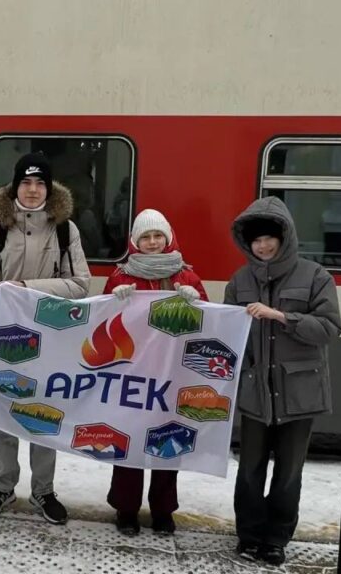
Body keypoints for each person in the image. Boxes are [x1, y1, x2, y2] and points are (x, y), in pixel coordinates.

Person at [0, 152, 91, 525]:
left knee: (43, 414)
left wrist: (27, 287)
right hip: (3, 340)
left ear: (49, 189)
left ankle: (43, 491)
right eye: (26, 182)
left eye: (40, 183)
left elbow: (80, 284)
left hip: (50, 340)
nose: (33, 190)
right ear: (15, 187)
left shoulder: (66, 230)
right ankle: (3, 486)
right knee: (3, 414)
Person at [224, 196, 341, 566]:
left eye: (269, 238)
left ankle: (276, 539)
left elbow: (329, 328)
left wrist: (282, 317)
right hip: (256, 392)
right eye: (256, 240)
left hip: (299, 393)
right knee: (250, 469)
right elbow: (228, 334)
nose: (262, 246)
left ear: (284, 237)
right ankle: (248, 535)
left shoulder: (316, 276)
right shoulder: (239, 281)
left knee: (289, 472)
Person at [104, 208, 208, 535]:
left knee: (169, 441)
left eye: (157, 236)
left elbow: (208, 323)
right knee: (128, 440)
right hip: (132, 373)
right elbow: (103, 321)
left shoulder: (187, 277)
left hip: (173, 373)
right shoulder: (120, 277)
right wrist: (113, 300)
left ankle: (163, 511)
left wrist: (197, 302)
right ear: (135, 242)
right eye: (145, 237)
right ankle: (126, 509)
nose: (152, 242)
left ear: (168, 238)